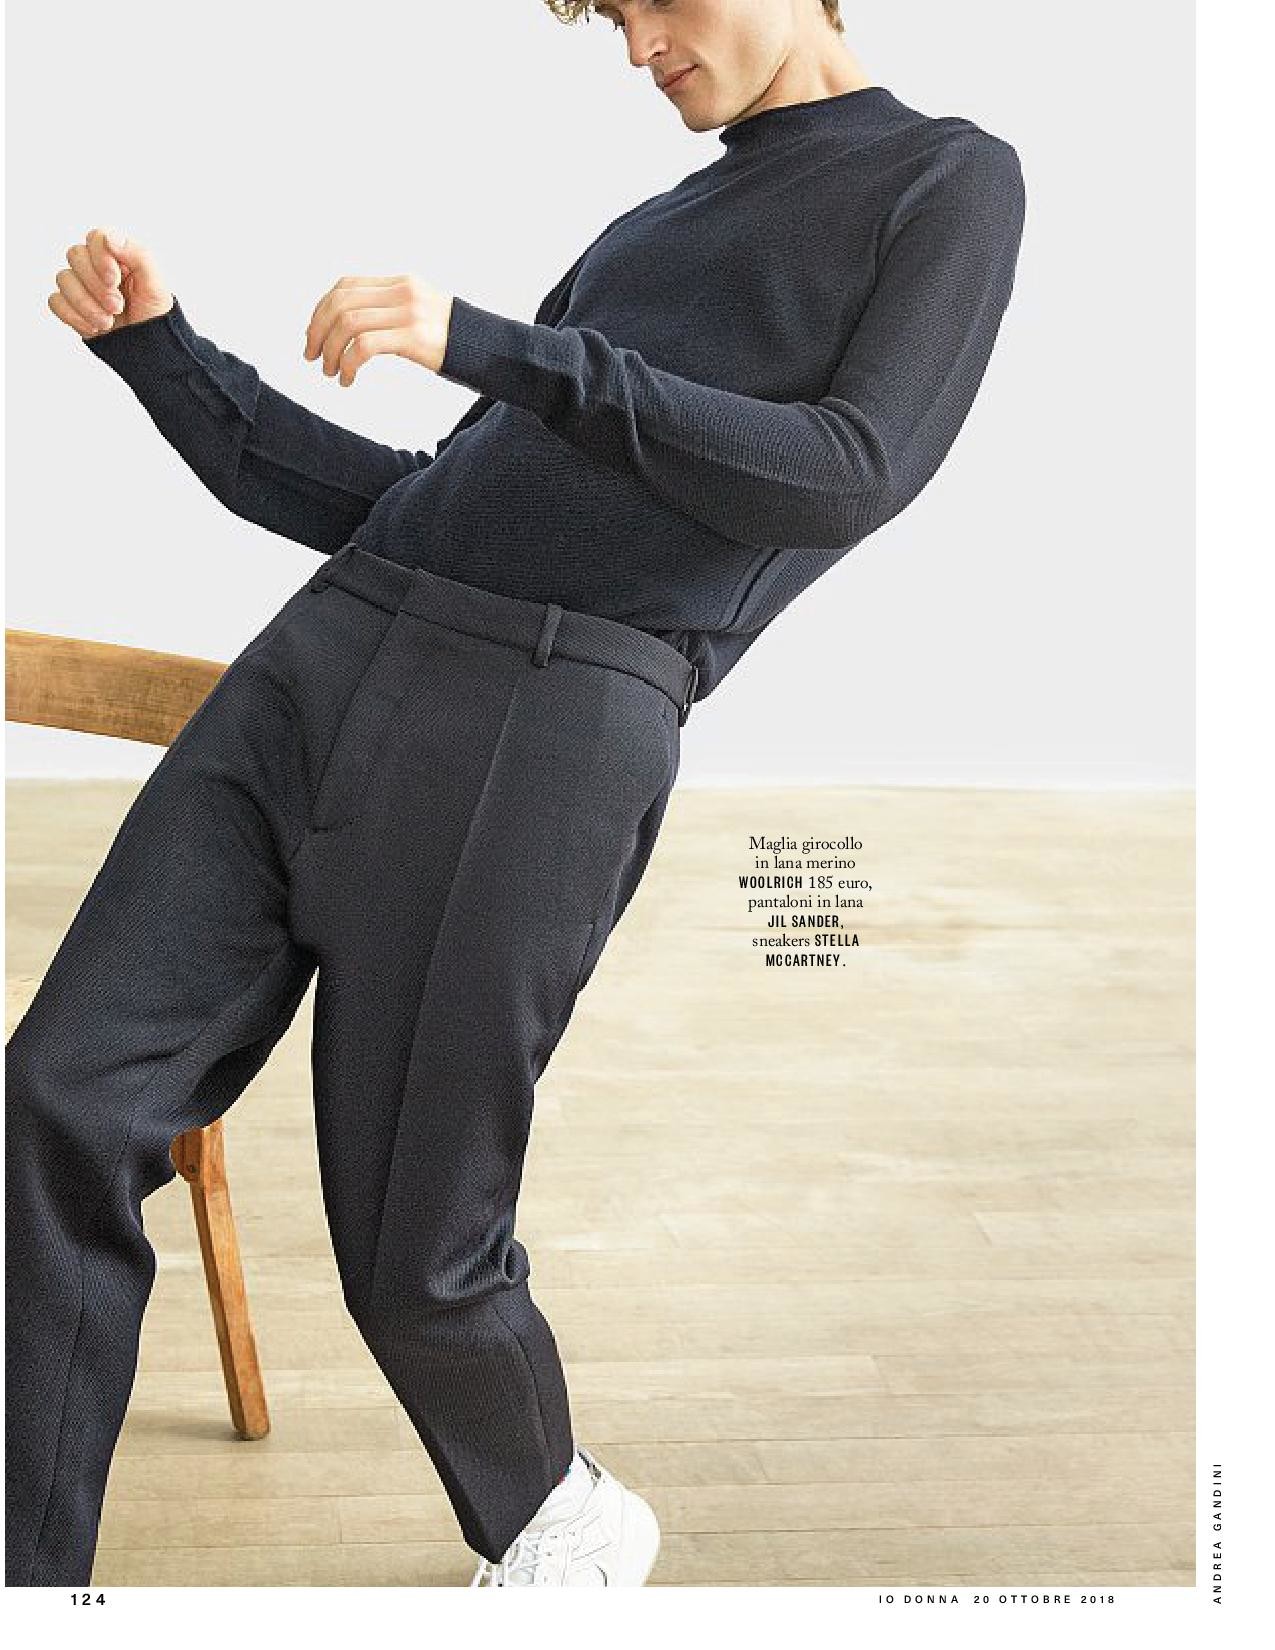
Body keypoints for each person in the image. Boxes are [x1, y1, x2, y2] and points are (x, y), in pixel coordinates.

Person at [7, 0, 1026, 1588]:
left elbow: (847, 469)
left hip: (546, 716)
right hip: (321, 661)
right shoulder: (649, 230)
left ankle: (557, 1516)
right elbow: (422, 508)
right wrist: (165, 357)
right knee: (56, 1098)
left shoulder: (945, 180)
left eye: (651, 1)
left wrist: (492, 343)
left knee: (415, 1257)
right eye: (610, 17)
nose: (636, 47)